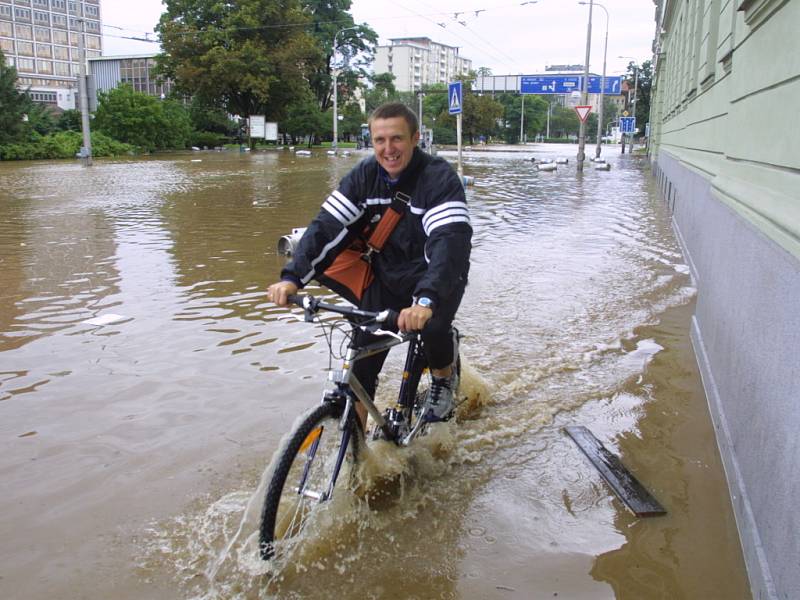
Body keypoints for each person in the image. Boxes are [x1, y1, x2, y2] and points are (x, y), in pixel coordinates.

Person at [267, 102, 471, 423]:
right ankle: (357, 456)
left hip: (438, 274)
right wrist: (292, 278)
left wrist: (427, 299)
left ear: (415, 138)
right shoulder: (363, 177)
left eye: (397, 139)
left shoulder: (439, 179)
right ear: (371, 141)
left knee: (433, 328)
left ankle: (443, 378)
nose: (388, 149)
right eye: (380, 140)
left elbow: (449, 246)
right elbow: (326, 227)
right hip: (387, 274)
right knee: (361, 365)